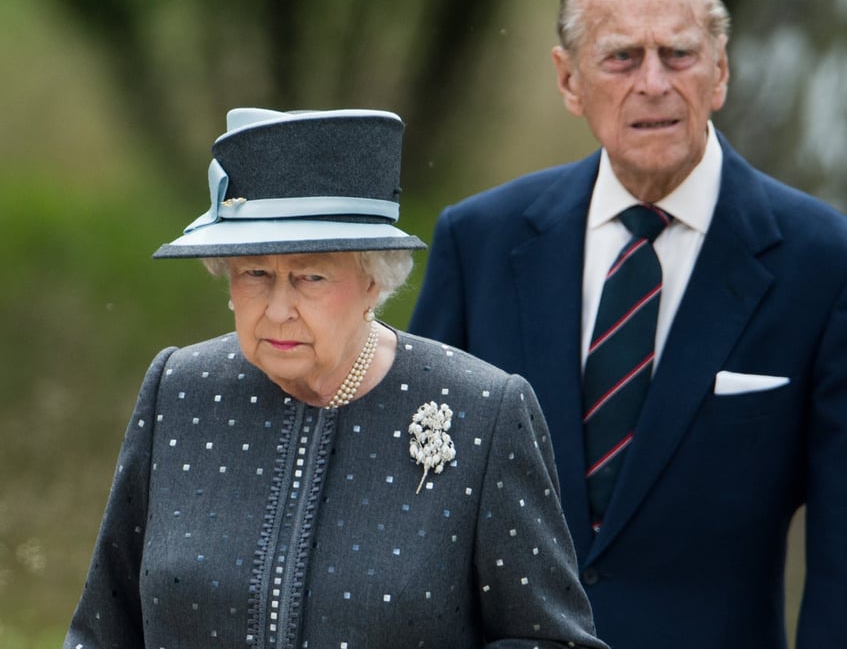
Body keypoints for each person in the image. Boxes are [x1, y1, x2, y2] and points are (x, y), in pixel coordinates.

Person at [409, 0, 847, 648]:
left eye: (678, 54)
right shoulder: (478, 244)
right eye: (621, 57)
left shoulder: (835, 274)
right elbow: (419, 507)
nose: (653, 83)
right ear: (568, 79)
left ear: (721, 70)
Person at [63, 107, 609, 649]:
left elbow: (550, 640)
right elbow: (103, 627)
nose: (278, 310)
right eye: (255, 274)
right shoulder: (179, 389)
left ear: (374, 279)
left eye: (310, 276)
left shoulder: (482, 411)